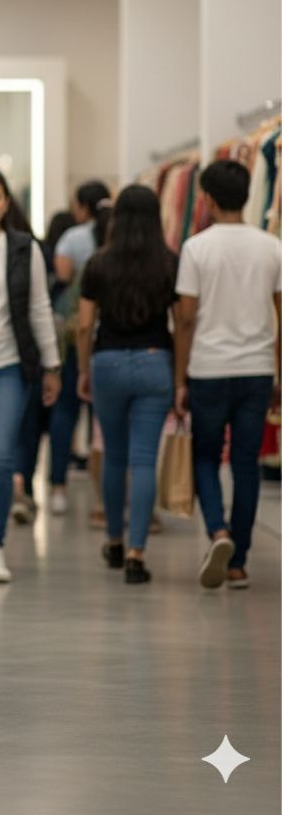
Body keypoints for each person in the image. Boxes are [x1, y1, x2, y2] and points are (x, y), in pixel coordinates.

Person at [174, 160, 281, 590]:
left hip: (209, 367)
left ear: (208, 199)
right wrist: (278, 374)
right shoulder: (272, 247)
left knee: (206, 454)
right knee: (245, 463)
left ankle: (218, 531)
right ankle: (238, 562)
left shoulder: (196, 248)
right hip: (257, 368)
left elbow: (185, 318)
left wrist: (180, 378)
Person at [76, 185, 179, 585]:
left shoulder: (99, 263)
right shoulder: (169, 263)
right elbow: (183, 320)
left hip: (109, 363)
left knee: (114, 456)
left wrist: (84, 370)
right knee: (144, 459)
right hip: (156, 362)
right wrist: (181, 374)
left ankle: (114, 541)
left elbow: (85, 324)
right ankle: (137, 552)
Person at [0, 168, 61, 584]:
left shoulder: (23, 247)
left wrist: (51, 364)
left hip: (8, 365)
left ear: (6, 203)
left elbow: (39, 306)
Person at [48, 180, 112, 513]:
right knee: (105, 422)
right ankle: (104, 495)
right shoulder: (122, 233)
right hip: (113, 339)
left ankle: (58, 486)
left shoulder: (73, 238)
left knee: (65, 411)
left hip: (77, 335)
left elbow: (62, 275)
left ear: (83, 206)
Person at [12, 207, 75, 523]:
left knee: (29, 425)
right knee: (63, 416)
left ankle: (23, 486)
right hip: (61, 350)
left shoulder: (27, 252)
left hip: (23, 351)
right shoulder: (36, 252)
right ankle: (58, 487)